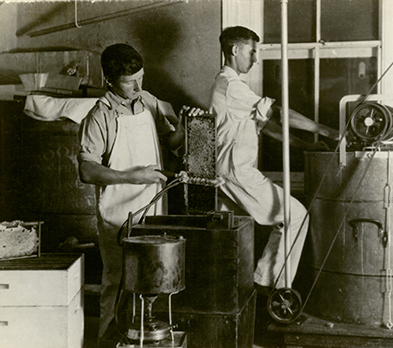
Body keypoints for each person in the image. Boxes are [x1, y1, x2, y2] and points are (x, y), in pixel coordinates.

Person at [209, 26, 339, 291]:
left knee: (251, 232)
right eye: (252, 52)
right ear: (235, 50)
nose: (256, 59)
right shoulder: (231, 86)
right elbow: (279, 113)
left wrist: (305, 146)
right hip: (236, 171)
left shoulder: (230, 86)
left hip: (229, 170)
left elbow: (268, 126)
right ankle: (276, 289)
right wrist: (327, 130)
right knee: (297, 216)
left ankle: (262, 286)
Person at [77, 43, 186, 348]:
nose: (138, 86)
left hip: (153, 211)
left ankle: (144, 341)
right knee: (119, 283)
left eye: (141, 77)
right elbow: (87, 171)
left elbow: (170, 140)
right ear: (109, 79)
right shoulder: (100, 116)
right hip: (118, 217)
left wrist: (186, 126)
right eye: (130, 81)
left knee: (153, 280)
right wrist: (132, 177)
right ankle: (107, 341)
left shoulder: (147, 100)